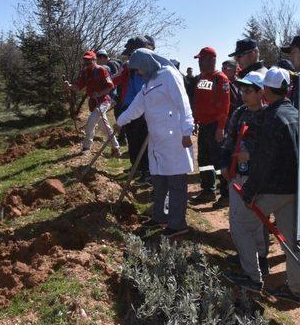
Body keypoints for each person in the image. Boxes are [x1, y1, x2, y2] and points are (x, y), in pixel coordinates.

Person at [242, 67, 300, 305]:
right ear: (287, 89)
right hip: (296, 187)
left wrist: (249, 192)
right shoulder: (296, 113)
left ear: (267, 90)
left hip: (275, 188)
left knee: (242, 223)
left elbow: (264, 161)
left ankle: (251, 276)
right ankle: (297, 290)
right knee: (292, 240)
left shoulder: (272, 118)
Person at [115, 48, 195, 238]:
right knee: (159, 181)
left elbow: (183, 103)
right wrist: (120, 122)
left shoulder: (169, 75)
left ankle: (177, 225)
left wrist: (187, 131)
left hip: (174, 139)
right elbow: (136, 107)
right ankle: (160, 217)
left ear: (147, 63)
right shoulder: (147, 84)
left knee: (176, 184)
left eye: (139, 69)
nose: (138, 73)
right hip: (156, 140)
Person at [220, 71, 268, 292]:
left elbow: (275, 152)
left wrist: (254, 157)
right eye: (242, 90)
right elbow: (229, 141)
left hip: (256, 179)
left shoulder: (269, 116)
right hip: (236, 175)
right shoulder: (239, 113)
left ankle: (255, 272)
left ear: (261, 92)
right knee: (238, 220)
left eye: (249, 91)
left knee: (252, 223)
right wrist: (223, 165)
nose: (244, 94)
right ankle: (252, 261)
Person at [190, 47, 231, 207]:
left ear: (211, 60)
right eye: (199, 59)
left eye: (202, 59)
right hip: (204, 125)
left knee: (219, 161)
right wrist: (195, 120)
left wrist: (220, 128)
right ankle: (208, 191)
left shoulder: (220, 79)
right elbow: (198, 101)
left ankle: (226, 194)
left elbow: (225, 105)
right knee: (204, 159)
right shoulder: (201, 78)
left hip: (215, 126)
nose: (199, 62)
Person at [65, 50, 120, 156]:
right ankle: (116, 148)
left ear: (94, 60)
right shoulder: (84, 72)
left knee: (91, 120)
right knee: (104, 126)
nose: (87, 64)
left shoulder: (102, 70)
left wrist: (99, 93)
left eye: (89, 61)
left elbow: (110, 86)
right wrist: (69, 86)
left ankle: (86, 147)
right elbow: (78, 86)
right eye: (85, 62)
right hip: (93, 103)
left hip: (104, 101)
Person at [112, 37, 151, 184]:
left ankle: (147, 172)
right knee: (134, 142)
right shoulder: (131, 70)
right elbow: (126, 89)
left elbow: (144, 94)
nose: (128, 58)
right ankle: (138, 169)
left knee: (144, 144)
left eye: (131, 54)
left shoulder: (150, 69)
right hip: (131, 109)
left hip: (144, 112)